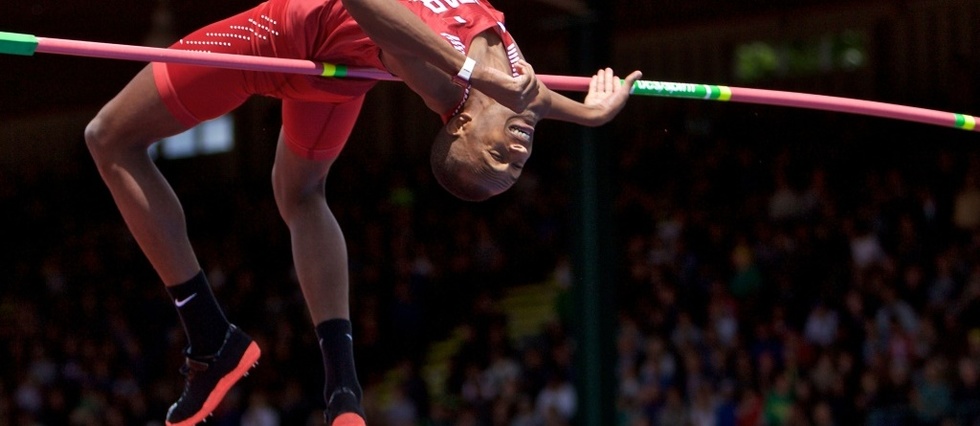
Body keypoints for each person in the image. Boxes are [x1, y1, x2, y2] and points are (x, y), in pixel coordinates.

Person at [82, 0, 641, 424]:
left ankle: (208, 335)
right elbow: (535, 96)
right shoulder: (513, 83)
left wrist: (474, 74)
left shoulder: (449, 78)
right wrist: (592, 114)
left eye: (499, 158)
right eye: (513, 164)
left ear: (462, 124)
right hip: (336, 74)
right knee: (300, 194)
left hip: (280, 39)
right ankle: (344, 393)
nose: (518, 154)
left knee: (109, 138)